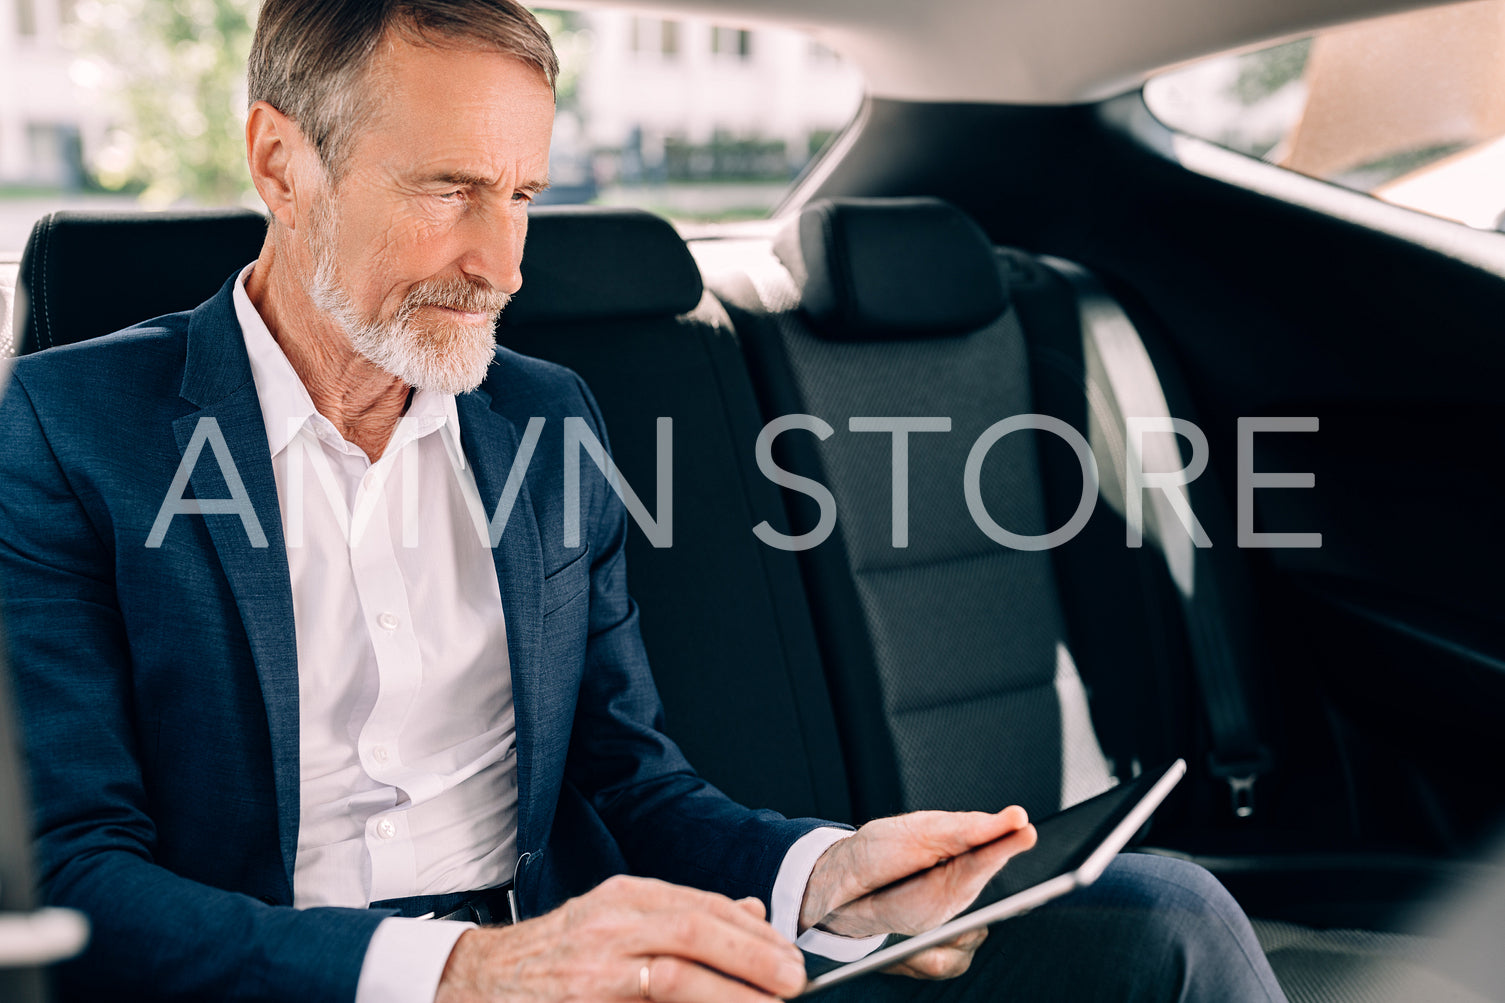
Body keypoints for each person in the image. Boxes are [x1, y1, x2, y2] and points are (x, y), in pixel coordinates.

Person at [0, 2, 1287, 1001]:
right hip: (321, 983)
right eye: (447, 189)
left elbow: (628, 782)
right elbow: (72, 879)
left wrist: (824, 875)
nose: (499, 264)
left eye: (521, 197)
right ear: (282, 160)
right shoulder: (72, 431)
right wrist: (467, 975)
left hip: (596, 964)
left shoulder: (543, 423)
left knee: (1165, 917)